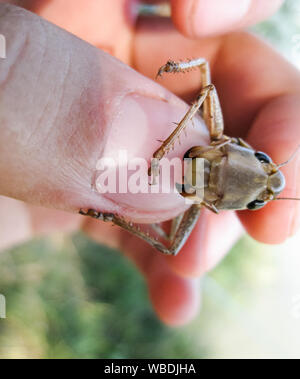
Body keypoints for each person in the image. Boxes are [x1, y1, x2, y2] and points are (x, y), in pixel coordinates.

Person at [0, 0, 299, 326]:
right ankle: (110, 212)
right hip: (192, 177)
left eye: (257, 198)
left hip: (190, 183)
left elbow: (203, 75)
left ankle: (110, 212)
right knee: (205, 79)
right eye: (264, 162)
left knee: (174, 247)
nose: (260, 176)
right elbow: (204, 74)